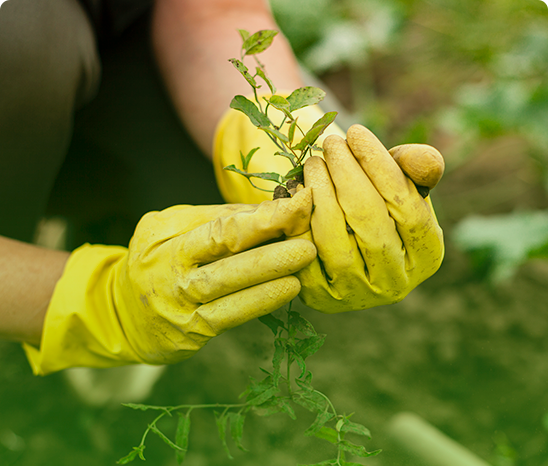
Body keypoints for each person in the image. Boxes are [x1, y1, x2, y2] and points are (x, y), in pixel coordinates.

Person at [0, 0, 444, 375]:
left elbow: (216, 9)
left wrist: (277, 137)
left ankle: (106, 234)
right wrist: (93, 302)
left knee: (221, 175)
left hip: (105, 53)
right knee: (24, 47)